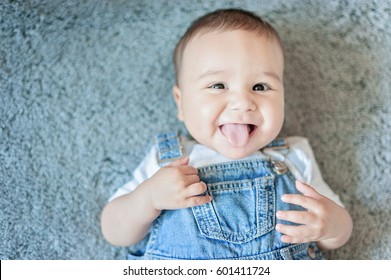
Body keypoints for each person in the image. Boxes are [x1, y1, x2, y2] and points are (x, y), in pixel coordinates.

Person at [100, 8, 353, 260]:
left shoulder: (294, 157)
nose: (243, 102)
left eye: (260, 86)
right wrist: (149, 198)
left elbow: (335, 238)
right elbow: (115, 231)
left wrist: (333, 225)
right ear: (181, 102)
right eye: (218, 85)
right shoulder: (166, 163)